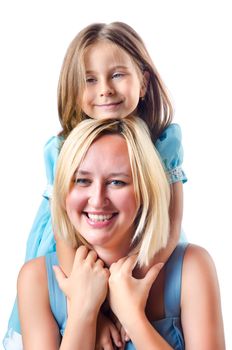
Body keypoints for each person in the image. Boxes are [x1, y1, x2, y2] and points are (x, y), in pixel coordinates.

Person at [3, 22, 187, 349]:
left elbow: (170, 225)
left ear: (144, 82)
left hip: (142, 248)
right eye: (90, 80)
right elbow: (64, 237)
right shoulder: (60, 150)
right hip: (73, 252)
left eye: (117, 75)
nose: (104, 89)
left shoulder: (164, 143)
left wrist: (128, 293)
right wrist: (92, 311)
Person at [17, 117, 225, 349]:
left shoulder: (192, 268)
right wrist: (83, 312)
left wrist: (133, 318)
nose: (96, 200)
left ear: (146, 191)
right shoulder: (36, 280)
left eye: (117, 182)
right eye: (82, 180)